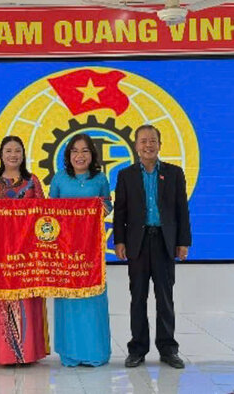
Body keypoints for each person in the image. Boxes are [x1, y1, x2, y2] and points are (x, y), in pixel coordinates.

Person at [113, 124, 191, 369]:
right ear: (136, 146)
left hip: (165, 242)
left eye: (153, 141)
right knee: (138, 298)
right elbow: (121, 212)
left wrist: (183, 242)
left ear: (160, 144)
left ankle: (168, 349)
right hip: (137, 243)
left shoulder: (174, 173)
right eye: (143, 141)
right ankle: (137, 349)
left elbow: (182, 211)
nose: (148, 145)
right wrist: (119, 240)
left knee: (165, 298)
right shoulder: (126, 175)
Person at [0, 135, 50, 365]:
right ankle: (5, 353)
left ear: (23, 155)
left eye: (17, 151)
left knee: (28, 299)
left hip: (29, 251)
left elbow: (43, 212)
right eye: (8, 151)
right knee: (3, 298)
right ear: (1, 155)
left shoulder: (33, 182)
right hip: (1, 251)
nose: (13, 155)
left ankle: (29, 352)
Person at [49, 133, 112, 367]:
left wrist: (97, 208)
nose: (80, 155)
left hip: (91, 251)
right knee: (68, 300)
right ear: (68, 155)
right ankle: (70, 354)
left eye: (85, 151)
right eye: (75, 151)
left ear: (92, 155)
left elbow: (106, 206)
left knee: (92, 299)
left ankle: (95, 352)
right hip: (65, 252)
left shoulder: (100, 180)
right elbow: (50, 213)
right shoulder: (59, 179)